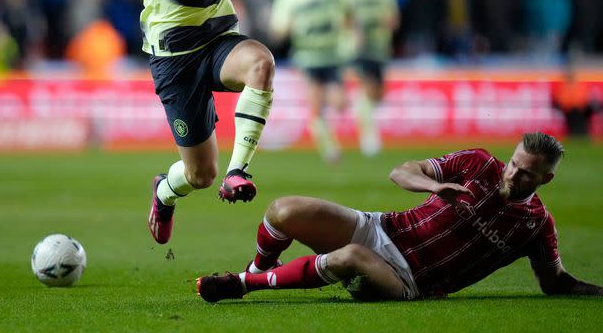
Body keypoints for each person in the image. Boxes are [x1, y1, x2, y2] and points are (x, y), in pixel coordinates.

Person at [197, 132, 603, 302]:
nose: (513, 173)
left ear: (545, 179)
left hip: (408, 279)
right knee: (282, 210)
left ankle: (244, 285)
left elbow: (554, 282)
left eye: (527, 172)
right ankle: (257, 267)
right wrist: (432, 187)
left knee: (351, 256)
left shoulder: (535, 225)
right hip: (383, 228)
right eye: (514, 162)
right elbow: (400, 171)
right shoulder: (478, 163)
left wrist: (595, 291)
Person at [112, 0, 275, 245]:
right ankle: (164, 193)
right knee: (201, 175)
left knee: (261, 64)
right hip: (174, 59)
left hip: (218, 40)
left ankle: (240, 172)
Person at [269, 0, 352, 163]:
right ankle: (329, 147)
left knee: (339, 102)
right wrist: (283, 29)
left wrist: (351, 36)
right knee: (316, 104)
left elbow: (350, 14)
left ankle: (326, 133)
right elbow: (278, 29)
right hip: (307, 57)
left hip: (332, 54)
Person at [343, 0, 399, 156]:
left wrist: (385, 23)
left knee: (378, 94)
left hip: (379, 46)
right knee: (366, 85)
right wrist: (354, 29)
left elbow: (394, 18)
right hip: (357, 47)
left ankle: (362, 111)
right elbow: (343, 18)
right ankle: (368, 137)